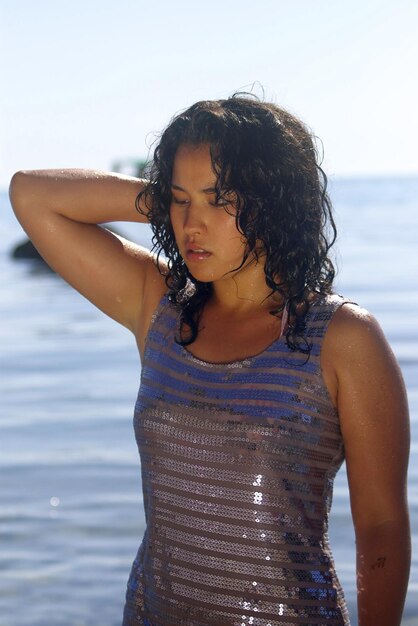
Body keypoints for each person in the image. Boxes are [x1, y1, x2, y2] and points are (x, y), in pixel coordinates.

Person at [9, 94, 410, 626]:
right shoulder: (160, 307)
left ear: (273, 199)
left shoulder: (341, 338)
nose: (191, 226)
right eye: (180, 201)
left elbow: (381, 525)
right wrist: (167, 202)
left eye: (218, 200)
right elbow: (31, 195)